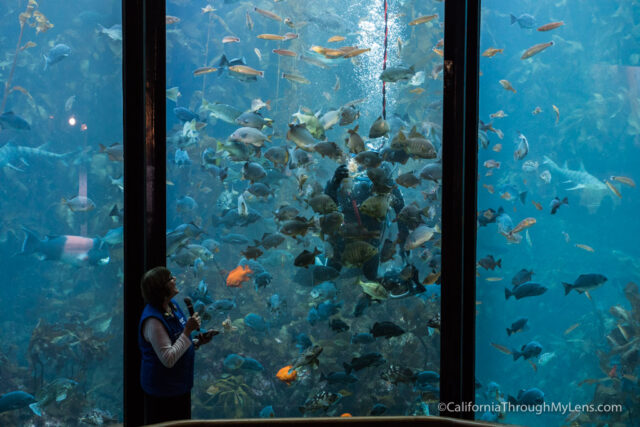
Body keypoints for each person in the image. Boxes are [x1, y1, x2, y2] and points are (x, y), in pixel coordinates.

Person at [138, 266, 215, 424]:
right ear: (162, 287)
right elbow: (168, 358)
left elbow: (176, 342)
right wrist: (187, 330)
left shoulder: (172, 306)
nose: (175, 280)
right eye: (171, 278)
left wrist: (197, 342)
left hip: (179, 387)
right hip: (163, 393)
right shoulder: (153, 320)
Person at [324, 163, 410, 286]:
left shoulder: (389, 187)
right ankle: (329, 288)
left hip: (372, 240)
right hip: (346, 235)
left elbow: (402, 215)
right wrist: (333, 182)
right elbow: (327, 202)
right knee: (330, 273)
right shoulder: (347, 184)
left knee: (371, 276)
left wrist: (404, 247)